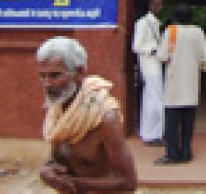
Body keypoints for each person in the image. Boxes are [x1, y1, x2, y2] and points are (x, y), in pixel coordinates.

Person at [36, 36, 137, 193]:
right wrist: (46, 170)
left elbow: (128, 182)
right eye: (42, 76)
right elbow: (59, 157)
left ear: (79, 72)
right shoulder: (56, 108)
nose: (47, 83)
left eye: (55, 75)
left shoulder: (104, 118)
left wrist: (73, 183)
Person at [154, 3, 206, 165]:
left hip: (174, 84)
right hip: (191, 83)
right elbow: (205, 58)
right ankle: (186, 152)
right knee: (188, 122)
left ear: (175, 17)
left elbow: (162, 56)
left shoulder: (171, 31)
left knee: (171, 123)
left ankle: (172, 154)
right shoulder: (198, 32)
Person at [131, 0, 164, 146]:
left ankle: (152, 133)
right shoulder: (143, 23)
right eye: (155, 4)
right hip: (149, 65)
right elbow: (136, 46)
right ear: (149, 6)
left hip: (156, 65)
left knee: (152, 100)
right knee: (154, 101)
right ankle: (152, 134)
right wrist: (152, 51)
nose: (158, 7)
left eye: (160, 4)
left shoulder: (156, 23)